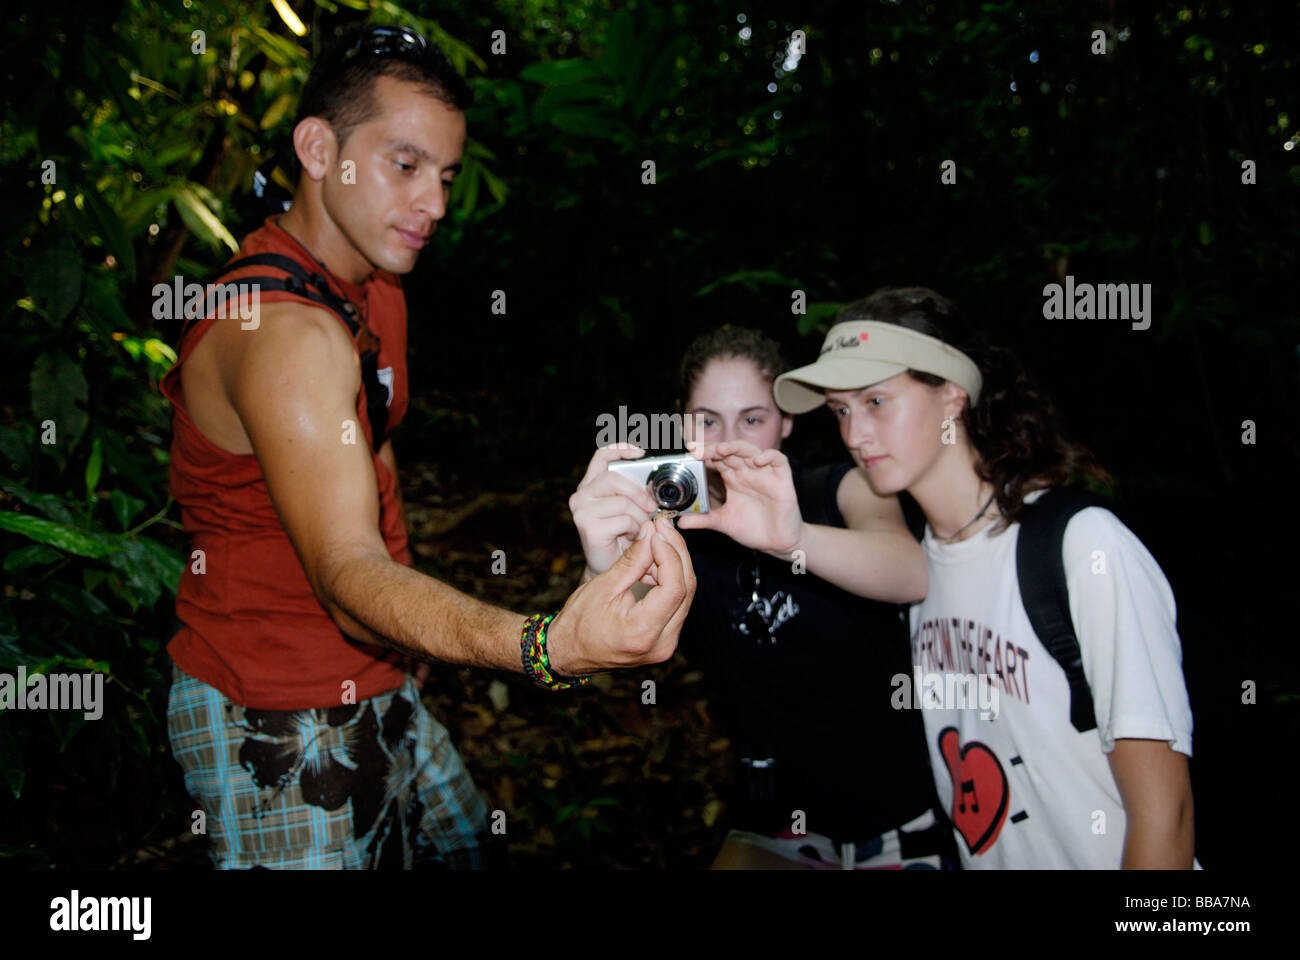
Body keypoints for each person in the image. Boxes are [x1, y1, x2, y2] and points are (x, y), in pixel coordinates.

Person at [160, 22, 694, 870]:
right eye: (404, 166)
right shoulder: (284, 334)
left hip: (384, 678)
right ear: (316, 146)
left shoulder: (373, 290)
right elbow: (344, 578)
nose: (436, 204)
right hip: (273, 708)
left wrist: (412, 645)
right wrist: (543, 647)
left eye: (444, 176)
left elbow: (373, 454)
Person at [760, 286, 1196, 869]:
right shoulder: (920, 574)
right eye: (841, 409)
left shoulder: (1080, 547)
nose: (854, 434)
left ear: (951, 398)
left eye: (876, 402)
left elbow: (1166, 817)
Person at [570, 326, 955, 869]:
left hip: (900, 817)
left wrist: (794, 538)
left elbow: (910, 572)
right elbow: (600, 644)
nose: (729, 441)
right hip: (775, 820)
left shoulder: (837, 489)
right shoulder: (675, 527)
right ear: (682, 421)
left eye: (752, 419)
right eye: (708, 421)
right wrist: (601, 560)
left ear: (787, 421)